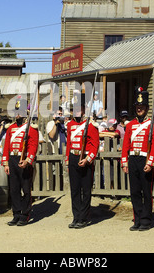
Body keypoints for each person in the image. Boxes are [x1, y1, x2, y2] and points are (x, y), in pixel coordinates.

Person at [121, 87, 154, 231]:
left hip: (145, 161)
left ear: (147, 108)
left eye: (142, 107)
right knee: (135, 191)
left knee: (146, 191)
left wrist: (150, 163)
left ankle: (146, 220)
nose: (139, 109)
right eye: (137, 107)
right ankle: (137, 218)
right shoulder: (130, 125)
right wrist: (124, 162)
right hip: (133, 159)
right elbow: (126, 145)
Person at [1, 98, 39, 226]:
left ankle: (25, 214)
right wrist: (6, 163)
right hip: (12, 159)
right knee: (14, 189)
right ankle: (16, 213)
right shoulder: (10, 128)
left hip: (24, 160)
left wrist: (28, 161)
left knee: (26, 189)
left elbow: (33, 146)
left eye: (20, 111)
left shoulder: (31, 128)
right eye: (15, 111)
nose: (17, 114)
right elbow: (6, 147)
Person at [65, 93, 99, 229]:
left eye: (79, 108)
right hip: (74, 158)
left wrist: (87, 159)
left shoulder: (90, 125)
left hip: (85, 159)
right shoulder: (70, 125)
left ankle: (83, 218)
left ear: (84, 109)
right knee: (74, 190)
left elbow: (95, 145)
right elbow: (69, 143)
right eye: (74, 109)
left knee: (85, 190)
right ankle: (76, 216)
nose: (77, 111)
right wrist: (68, 159)